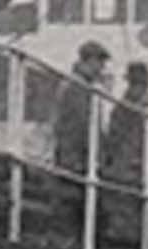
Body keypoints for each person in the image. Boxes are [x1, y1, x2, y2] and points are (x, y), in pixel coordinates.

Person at [53, 41, 110, 175]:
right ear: (88, 60)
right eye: (99, 62)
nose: (101, 68)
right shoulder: (76, 86)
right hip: (74, 157)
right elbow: (82, 122)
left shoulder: (83, 86)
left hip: (78, 156)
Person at [102, 62, 148, 184]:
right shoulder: (123, 109)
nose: (144, 90)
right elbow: (118, 139)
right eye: (142, 85)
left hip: (133, 169)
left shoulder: (135, 110)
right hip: (123, 170)